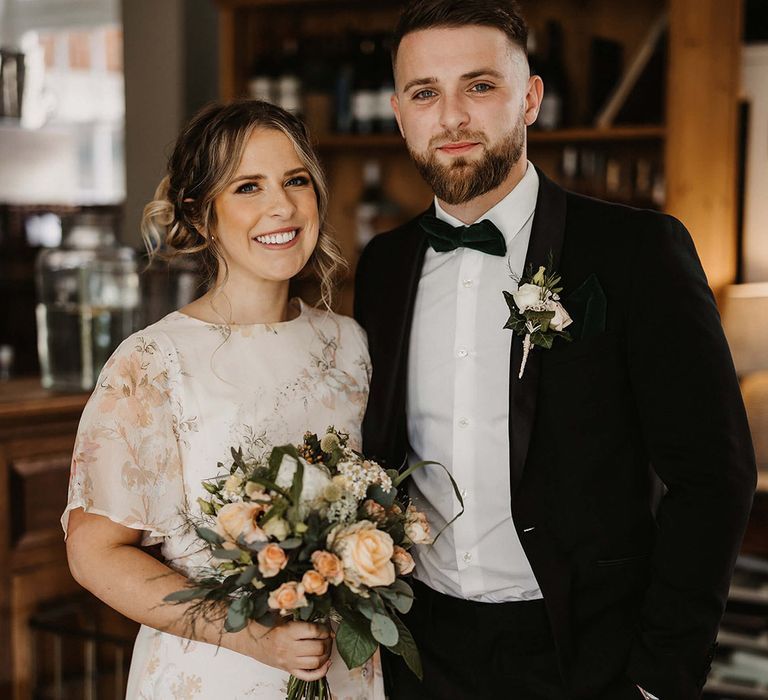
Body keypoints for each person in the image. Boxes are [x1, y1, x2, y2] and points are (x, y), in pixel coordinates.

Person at [353, 2, 757, 699]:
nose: (451, 116)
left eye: (479, 86)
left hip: (588, 657)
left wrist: (660, 676)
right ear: (398, 111)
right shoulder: (382, 267)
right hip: (422, 656)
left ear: (530, 98)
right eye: (425, 93)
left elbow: (713, 477)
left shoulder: (637, 254)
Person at [62, 100, 384, 699]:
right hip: (215, 672)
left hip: (345, 670)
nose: (281, 207)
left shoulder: (350, 345)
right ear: (201, 217)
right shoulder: (152, 363)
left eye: (296, 181)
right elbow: (95, 553)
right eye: (247, 187)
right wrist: (251, 636)